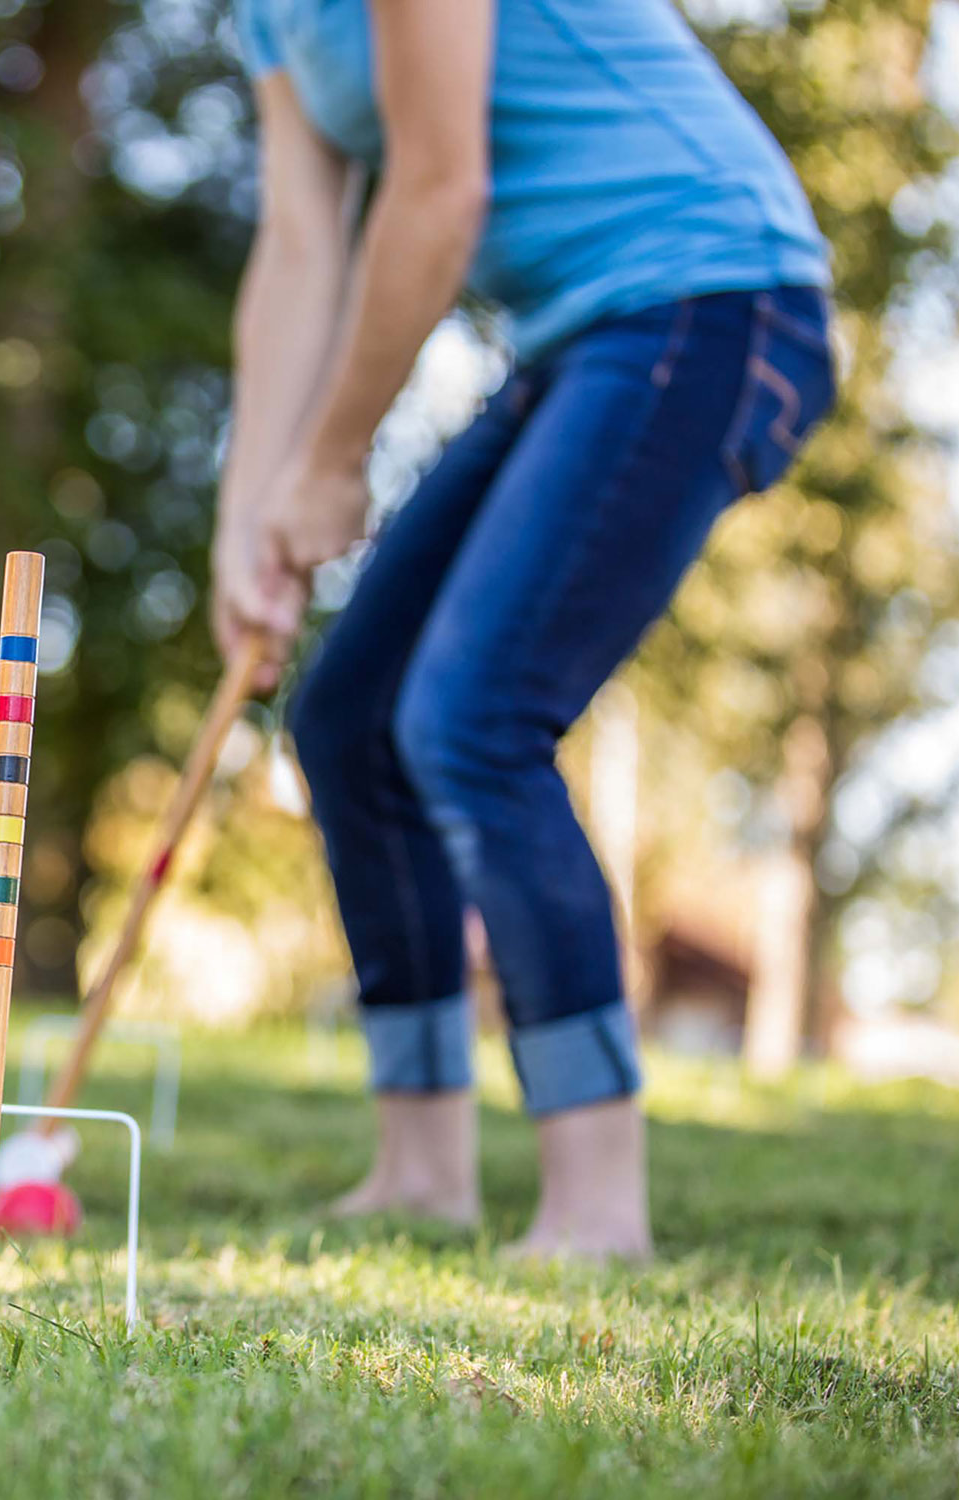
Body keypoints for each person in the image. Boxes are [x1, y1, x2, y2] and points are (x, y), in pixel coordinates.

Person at [211, 0, 835, 1258]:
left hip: (712, 288)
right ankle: (420, 1169)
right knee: (349, 721)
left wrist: (333, 460)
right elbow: (298, 248)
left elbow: (438, 195)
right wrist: (248, 514)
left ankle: (598, 1208)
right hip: (578, 334)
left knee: (474, 715)